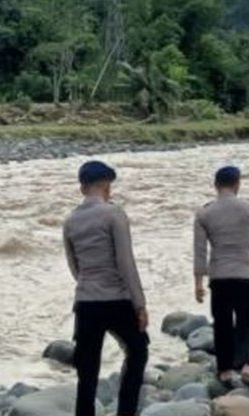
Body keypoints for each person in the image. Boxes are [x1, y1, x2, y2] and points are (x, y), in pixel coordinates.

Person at [63, 161, 149, 416]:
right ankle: (126, 411)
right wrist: (140, 304)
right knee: (137, 351)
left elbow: (73, 265)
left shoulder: (70, 220)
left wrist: (89, 284)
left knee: (87, 370)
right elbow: (125, 262)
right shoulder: (114, 214)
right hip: (117, 300)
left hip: (86, 302)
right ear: (106, 185)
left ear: (82, 188)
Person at [193, 165, 249, 390]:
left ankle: (225, 372)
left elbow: (199, 251)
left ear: (216, 186)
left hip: (219, 275)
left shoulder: (204, 213)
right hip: (246, 272)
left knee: (222, 323)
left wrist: (198, 283)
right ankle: (246, 366)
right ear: (237, 184)